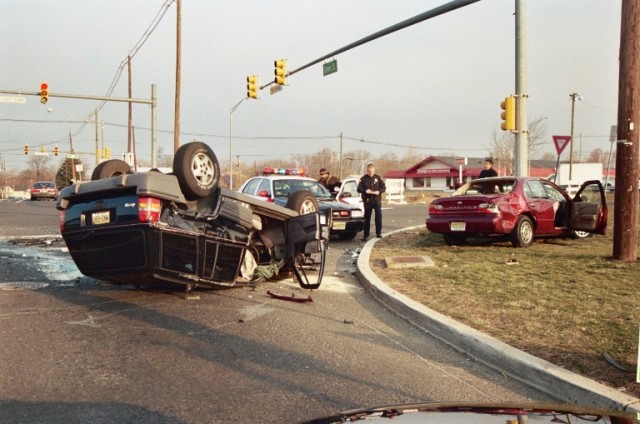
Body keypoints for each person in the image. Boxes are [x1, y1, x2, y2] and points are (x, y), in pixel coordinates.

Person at [357, 163, 386, 241]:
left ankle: (378, 233)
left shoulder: (378, 178)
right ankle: (366, 235)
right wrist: (365, 191)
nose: (371, 173)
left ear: (374, 170)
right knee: (367, 217)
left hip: (376, 199)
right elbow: (359, 189)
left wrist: (379, 191)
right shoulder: (363, 179)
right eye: (369, 171)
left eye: (372, 171)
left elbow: (383, 187)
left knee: (378, 216)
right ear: (367, 171)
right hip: (367, 200)